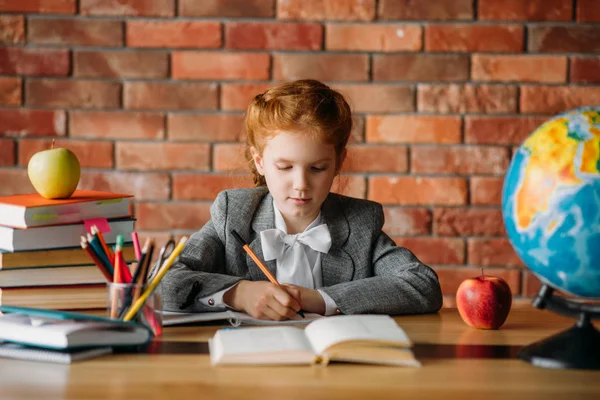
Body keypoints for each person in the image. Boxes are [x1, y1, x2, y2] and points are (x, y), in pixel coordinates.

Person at [162, 79, 443, 320]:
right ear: (260, 162)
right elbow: (161, 281)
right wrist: (238, 293)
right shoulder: (234, 215)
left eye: (317, 168)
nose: (301, 185)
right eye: (285, 167)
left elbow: (422, 285)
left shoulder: (359, 223)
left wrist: (320, 299)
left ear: (338, 162)